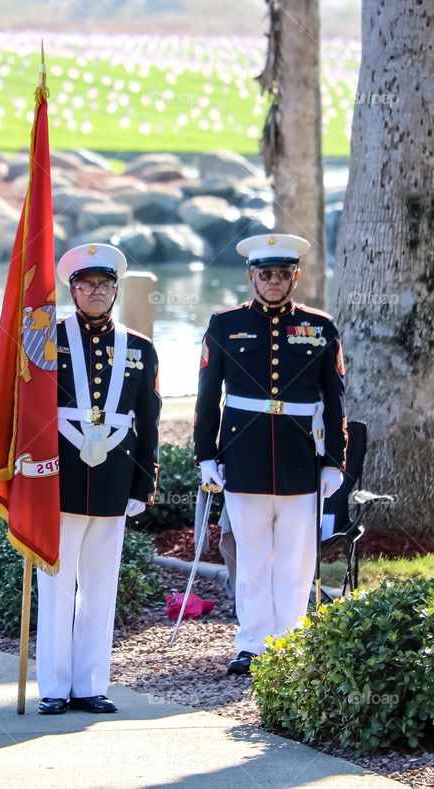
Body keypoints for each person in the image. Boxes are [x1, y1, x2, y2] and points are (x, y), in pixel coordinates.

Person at [193, 233, 347, 676]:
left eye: (282, 274)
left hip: (301, 459)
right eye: (266, 275)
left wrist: (333, 460)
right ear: (251, 277)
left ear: (295, 277)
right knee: (254, 556)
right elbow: (208, 399)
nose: (274, 281)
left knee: (297, 560)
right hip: (244, 458)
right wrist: (206, 456)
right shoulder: (224, 324)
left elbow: (335, 399)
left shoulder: (321, 327)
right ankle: (253, 644)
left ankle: (291, 640)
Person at [37, 243, 161, 716]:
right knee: (55, 584)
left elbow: (148, 418)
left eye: (104, 286)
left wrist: (143, 483)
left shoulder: (140, 347)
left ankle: (90, 683)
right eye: (86, 285)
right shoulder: (46, 338)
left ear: (115, 290)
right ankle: (53, 685)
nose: (95, 292)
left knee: (99, 586)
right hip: (59, 477)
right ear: (72, 290)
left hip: (113, 477)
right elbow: (28, 412)